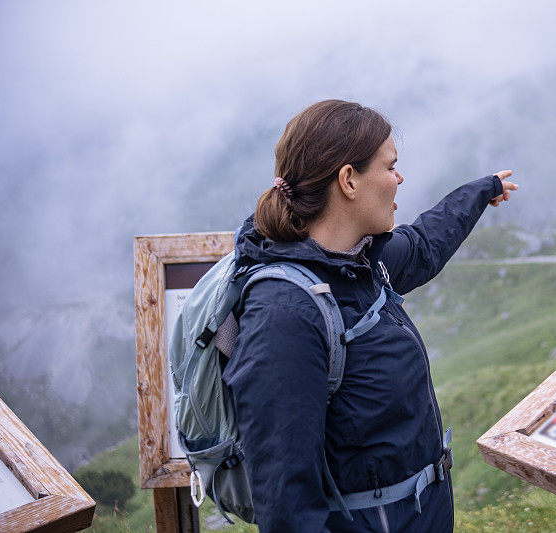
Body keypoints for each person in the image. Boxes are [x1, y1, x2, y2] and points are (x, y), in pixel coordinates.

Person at [222, 99, 518, 532]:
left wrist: (481, 190)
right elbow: (287, 508)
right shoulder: (284, 315)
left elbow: (423, 245)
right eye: (390, 166)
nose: (399, 179)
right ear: (349, 181)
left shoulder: (358, 263)